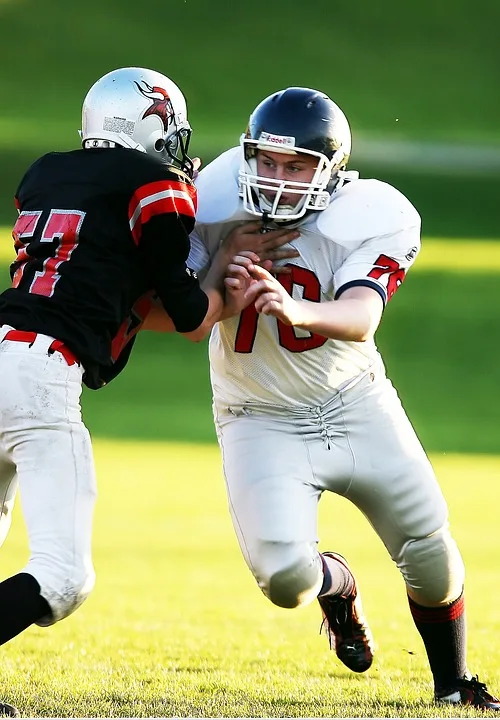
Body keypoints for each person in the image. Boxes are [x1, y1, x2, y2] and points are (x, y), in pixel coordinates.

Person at [187, 86, 500, 712]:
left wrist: (292, 306)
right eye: (267, 162)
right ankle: (339, 585)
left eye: (298, 165)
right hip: (259, 416)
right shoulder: (214, 200)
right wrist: (220, 262)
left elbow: (362, 316)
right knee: (286, 580)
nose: (277, 180)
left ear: (331, 169)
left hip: (352, 401)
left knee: (429, 550)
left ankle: (453, 685)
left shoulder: (373, 213)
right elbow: (194, 321)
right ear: (248, 156)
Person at [0, 66, 289, 718]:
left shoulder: (45, 173)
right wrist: (226, 265)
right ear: (153, 125)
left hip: (6, 346)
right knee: (64, 577)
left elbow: (115, 286)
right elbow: (190, 317)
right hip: (40, 376)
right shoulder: (155, 187)